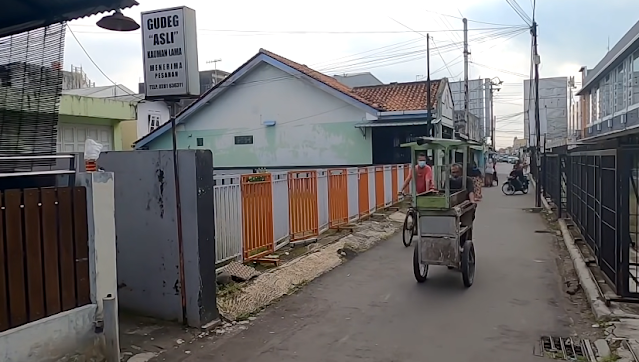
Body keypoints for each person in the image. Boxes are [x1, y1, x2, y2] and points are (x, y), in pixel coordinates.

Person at [450, 163, 477, 241]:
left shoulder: (467, 180)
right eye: (453, 172)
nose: (455, 174)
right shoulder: (449, 181)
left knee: (467, 227)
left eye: (457, 172)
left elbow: (471, 192)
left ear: (461, 172)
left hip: (464, 207)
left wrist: (472, 202)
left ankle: (467, 243)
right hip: (452, 208)